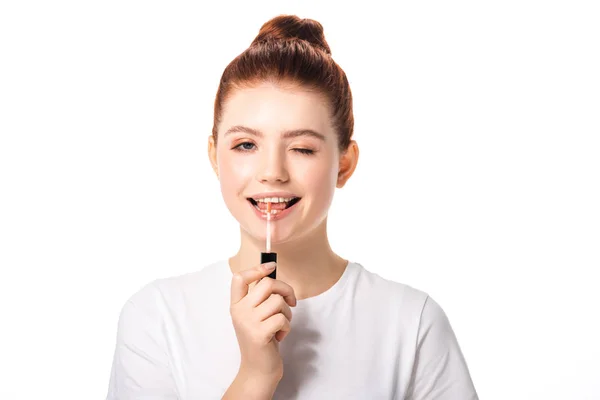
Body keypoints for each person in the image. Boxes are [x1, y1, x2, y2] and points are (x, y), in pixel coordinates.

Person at [106, 14, 478, 400]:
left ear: (344, 164)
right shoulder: (156, 317)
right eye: (246, 145)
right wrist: (254, 376)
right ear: (215, 157)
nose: (272, 172)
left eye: (302, 148)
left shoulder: (411, 323)